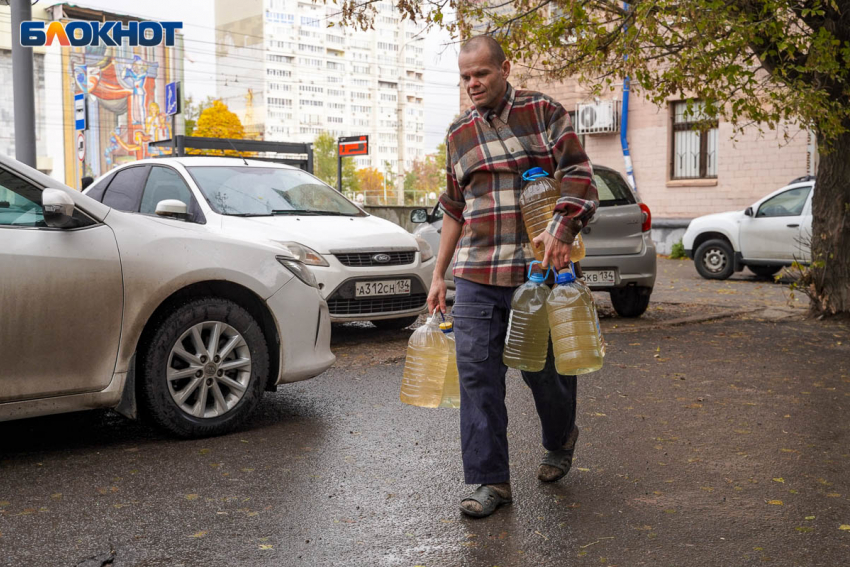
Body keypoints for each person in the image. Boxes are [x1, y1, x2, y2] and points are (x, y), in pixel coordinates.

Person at [428, 35, 599, 518]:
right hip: (478, 275)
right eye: (465, 77)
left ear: (505, 68)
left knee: (543, 373)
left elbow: (581, 176)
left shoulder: (544, 113)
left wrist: (563, 228)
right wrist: (439, 275)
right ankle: (490, 481)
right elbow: (454, 210)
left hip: (540, 274)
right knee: (478, 377)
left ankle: (560, 435)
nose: (473, 84)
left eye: (481, 73)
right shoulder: (459, 133)